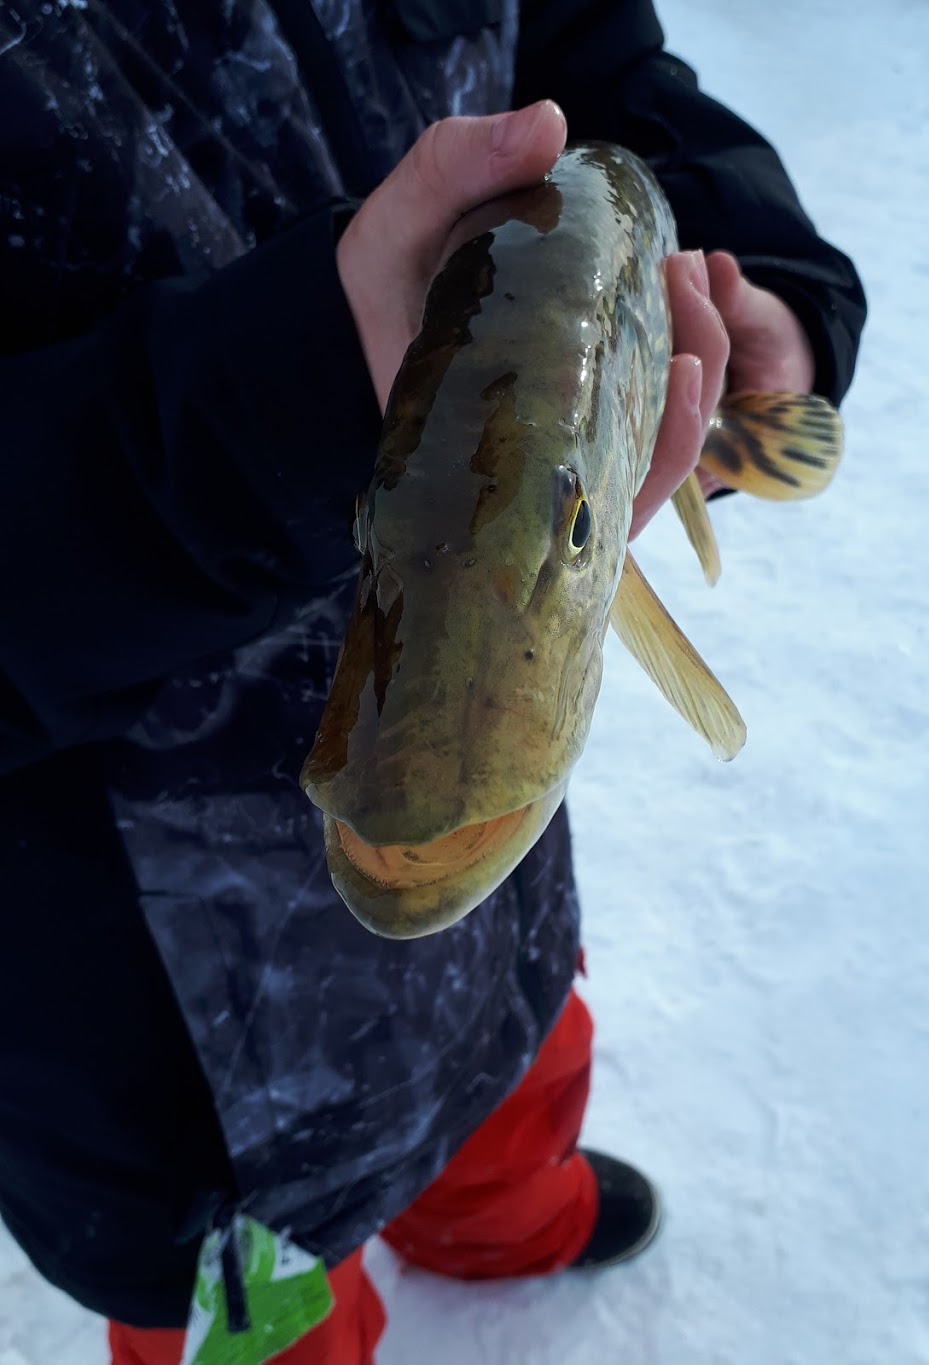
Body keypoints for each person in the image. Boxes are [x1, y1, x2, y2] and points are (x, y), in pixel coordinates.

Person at [0, 1, 866, 1361]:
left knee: (514, 1068)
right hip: (171, 1053)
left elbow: (598, 70)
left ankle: (505, 1218)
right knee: (270, 1315)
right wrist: (266, 409)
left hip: (490, 909)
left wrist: (753, 271)